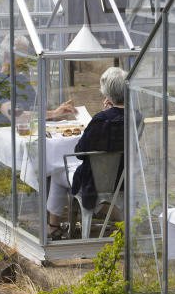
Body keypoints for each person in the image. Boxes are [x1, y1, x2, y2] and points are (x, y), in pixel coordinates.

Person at [44, 67, 126, 240]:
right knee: (76, 173)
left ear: (107, 93)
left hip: (95, 181)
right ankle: (116, 215)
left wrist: (105, 113)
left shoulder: (100, 120)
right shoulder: (134, 117)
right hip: (122, 177)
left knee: (58, 174)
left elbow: (80, 152)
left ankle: (53, 226)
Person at [0, 36, 75, 128]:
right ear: (7, 55)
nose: (25, 60)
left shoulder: (22, 79)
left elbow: (36, 109)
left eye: (26, 55)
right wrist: (54, 113)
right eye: (21, 55)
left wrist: (60, 115)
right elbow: (16, 116)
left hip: (29, 132)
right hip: (8, 137)